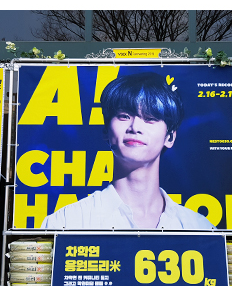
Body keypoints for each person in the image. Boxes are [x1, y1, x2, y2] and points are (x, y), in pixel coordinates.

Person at [41, 72, 214, 230]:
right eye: (124, 116)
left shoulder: (199, 228)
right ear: (106, 131)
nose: (135, 127)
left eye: (150, 118)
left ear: (169, 137)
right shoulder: (66, 222)